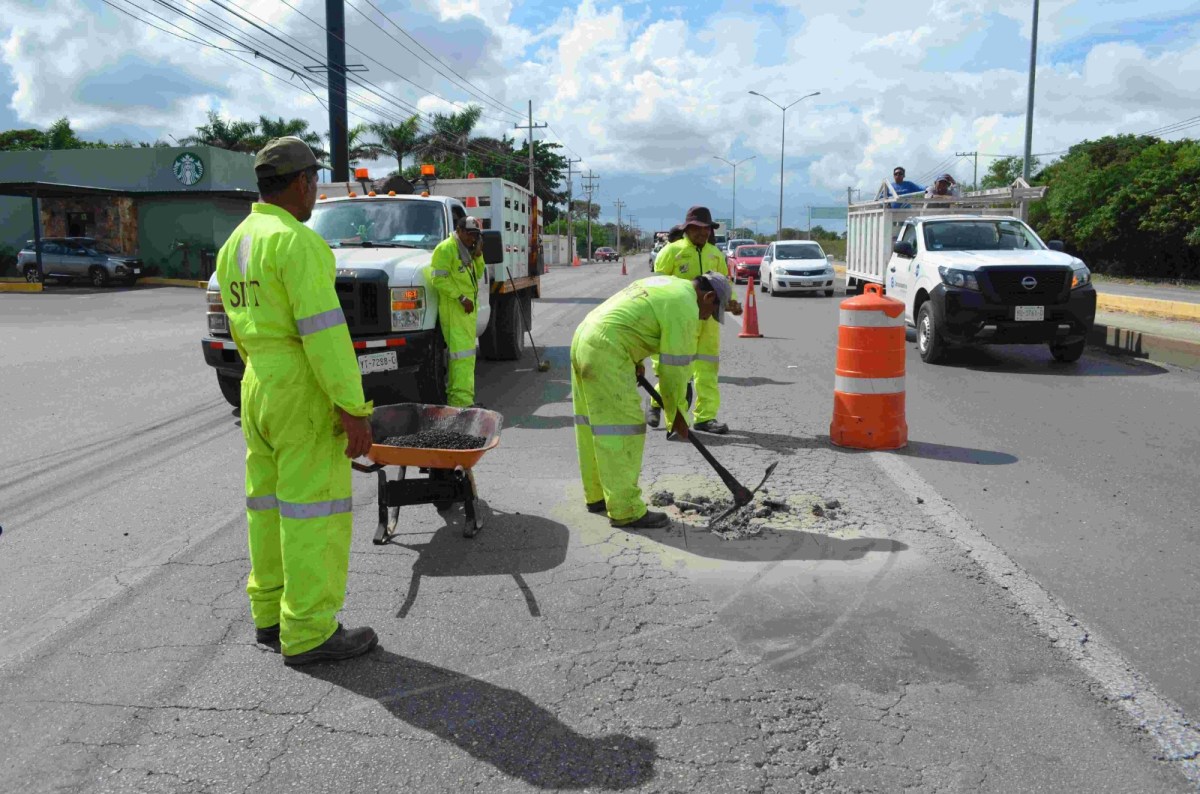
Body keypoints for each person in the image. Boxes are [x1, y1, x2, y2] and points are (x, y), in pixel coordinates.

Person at [216, 137, 378, 667]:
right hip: (298, 386)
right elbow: (325, 335)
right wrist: (352, 407)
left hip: (257, 381)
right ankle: (308, 629)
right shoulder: (298, 242)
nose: (315, 191)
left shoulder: (236, 241)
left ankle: (269, 614)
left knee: (266, 505)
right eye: (314, 181)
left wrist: (260, 376)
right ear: (303, 182)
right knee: (313, 509)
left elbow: (240, 332)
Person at [572, 272, 733, 528]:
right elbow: (674, 370)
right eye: (712, 312)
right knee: (623, 429)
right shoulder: (687, 307)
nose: (707, 318)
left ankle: (597, 495)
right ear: (709, 296)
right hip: (608, 348)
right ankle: (625, 509)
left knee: (593, 423)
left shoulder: (672, 286)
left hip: (586, 336)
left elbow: (633, 317)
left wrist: (634, 359)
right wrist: (677, 415)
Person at [648, 206, 741, 434]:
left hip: (708, 321)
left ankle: (705, 418)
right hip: (680, 322)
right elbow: (658, 287)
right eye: (697, 228)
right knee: (676, 370)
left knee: (707, 370)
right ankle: (658, 404)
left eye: (706, 229)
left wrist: (732, 301)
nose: (702, 233)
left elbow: (724, 283)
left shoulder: (715, 254)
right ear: (687, 229)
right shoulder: (672, 252)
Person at [428, 216, 486, 407]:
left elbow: (478, 274)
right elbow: (438, 279)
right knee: (460, 358)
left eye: (475, 235)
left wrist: (478, 255)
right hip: (455, 311)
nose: (472, 239)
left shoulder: (467, 250)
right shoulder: (446, 249)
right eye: (469, 234)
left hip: (466, 313)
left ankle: (465, 400)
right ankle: (459, 403)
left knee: (467, 358)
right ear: (459, 231)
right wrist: (461, 298)